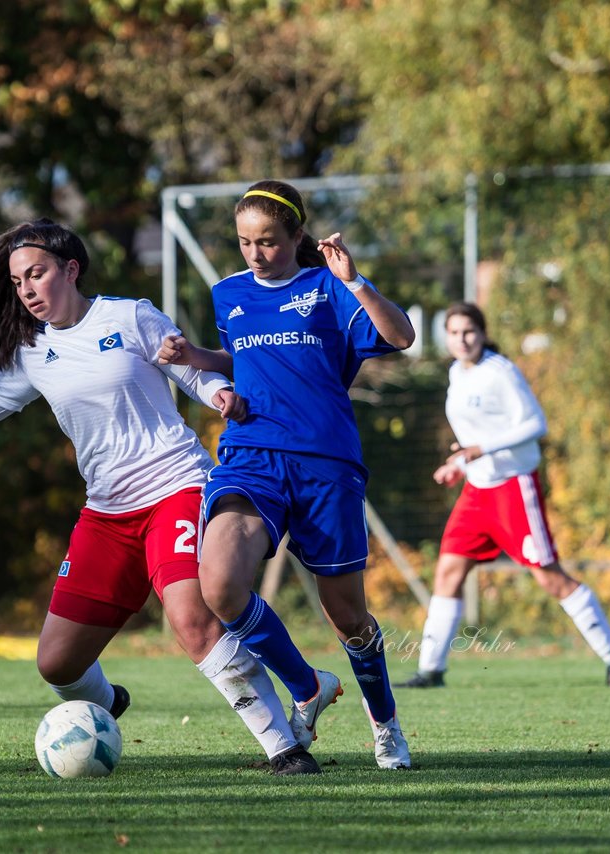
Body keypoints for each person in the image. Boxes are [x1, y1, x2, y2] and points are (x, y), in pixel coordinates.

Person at [0, 218, 329, 774]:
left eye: (37, 274)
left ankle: (284, 746)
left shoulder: (129, 315)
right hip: (107, 513)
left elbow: (189, 370)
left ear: (70, 269)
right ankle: (107, 705)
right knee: (57, 664)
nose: (28, 290)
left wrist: (221, 392)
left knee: (191, 619)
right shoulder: (32, 352)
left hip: (177, 486)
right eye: (17, 282)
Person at [159, 180, 415, 769]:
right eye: (245, 242)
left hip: (326, 463)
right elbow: (247, 358)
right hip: (251, 456)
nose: (255, 253)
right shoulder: (228, 293)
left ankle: (386, 726)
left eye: (269, 242)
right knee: (219, 586)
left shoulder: (329, 286)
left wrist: (354, 280)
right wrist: (197, 359)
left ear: (297, 236)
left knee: (348, 616)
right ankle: (307, 686)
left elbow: (400, 336)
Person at [397, 302, 610, 689]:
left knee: (549, 578)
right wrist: (459, 465)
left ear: (483, 332)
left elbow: (534, 424)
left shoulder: (501, 372)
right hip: (477, 490)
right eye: (455, 332)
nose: (462, 339)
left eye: (469, 331)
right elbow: (474, 437)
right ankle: (430, 670)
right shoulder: (457, 373)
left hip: (513, 487)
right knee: (448, 571)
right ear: (447, 337)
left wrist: (481, 449)